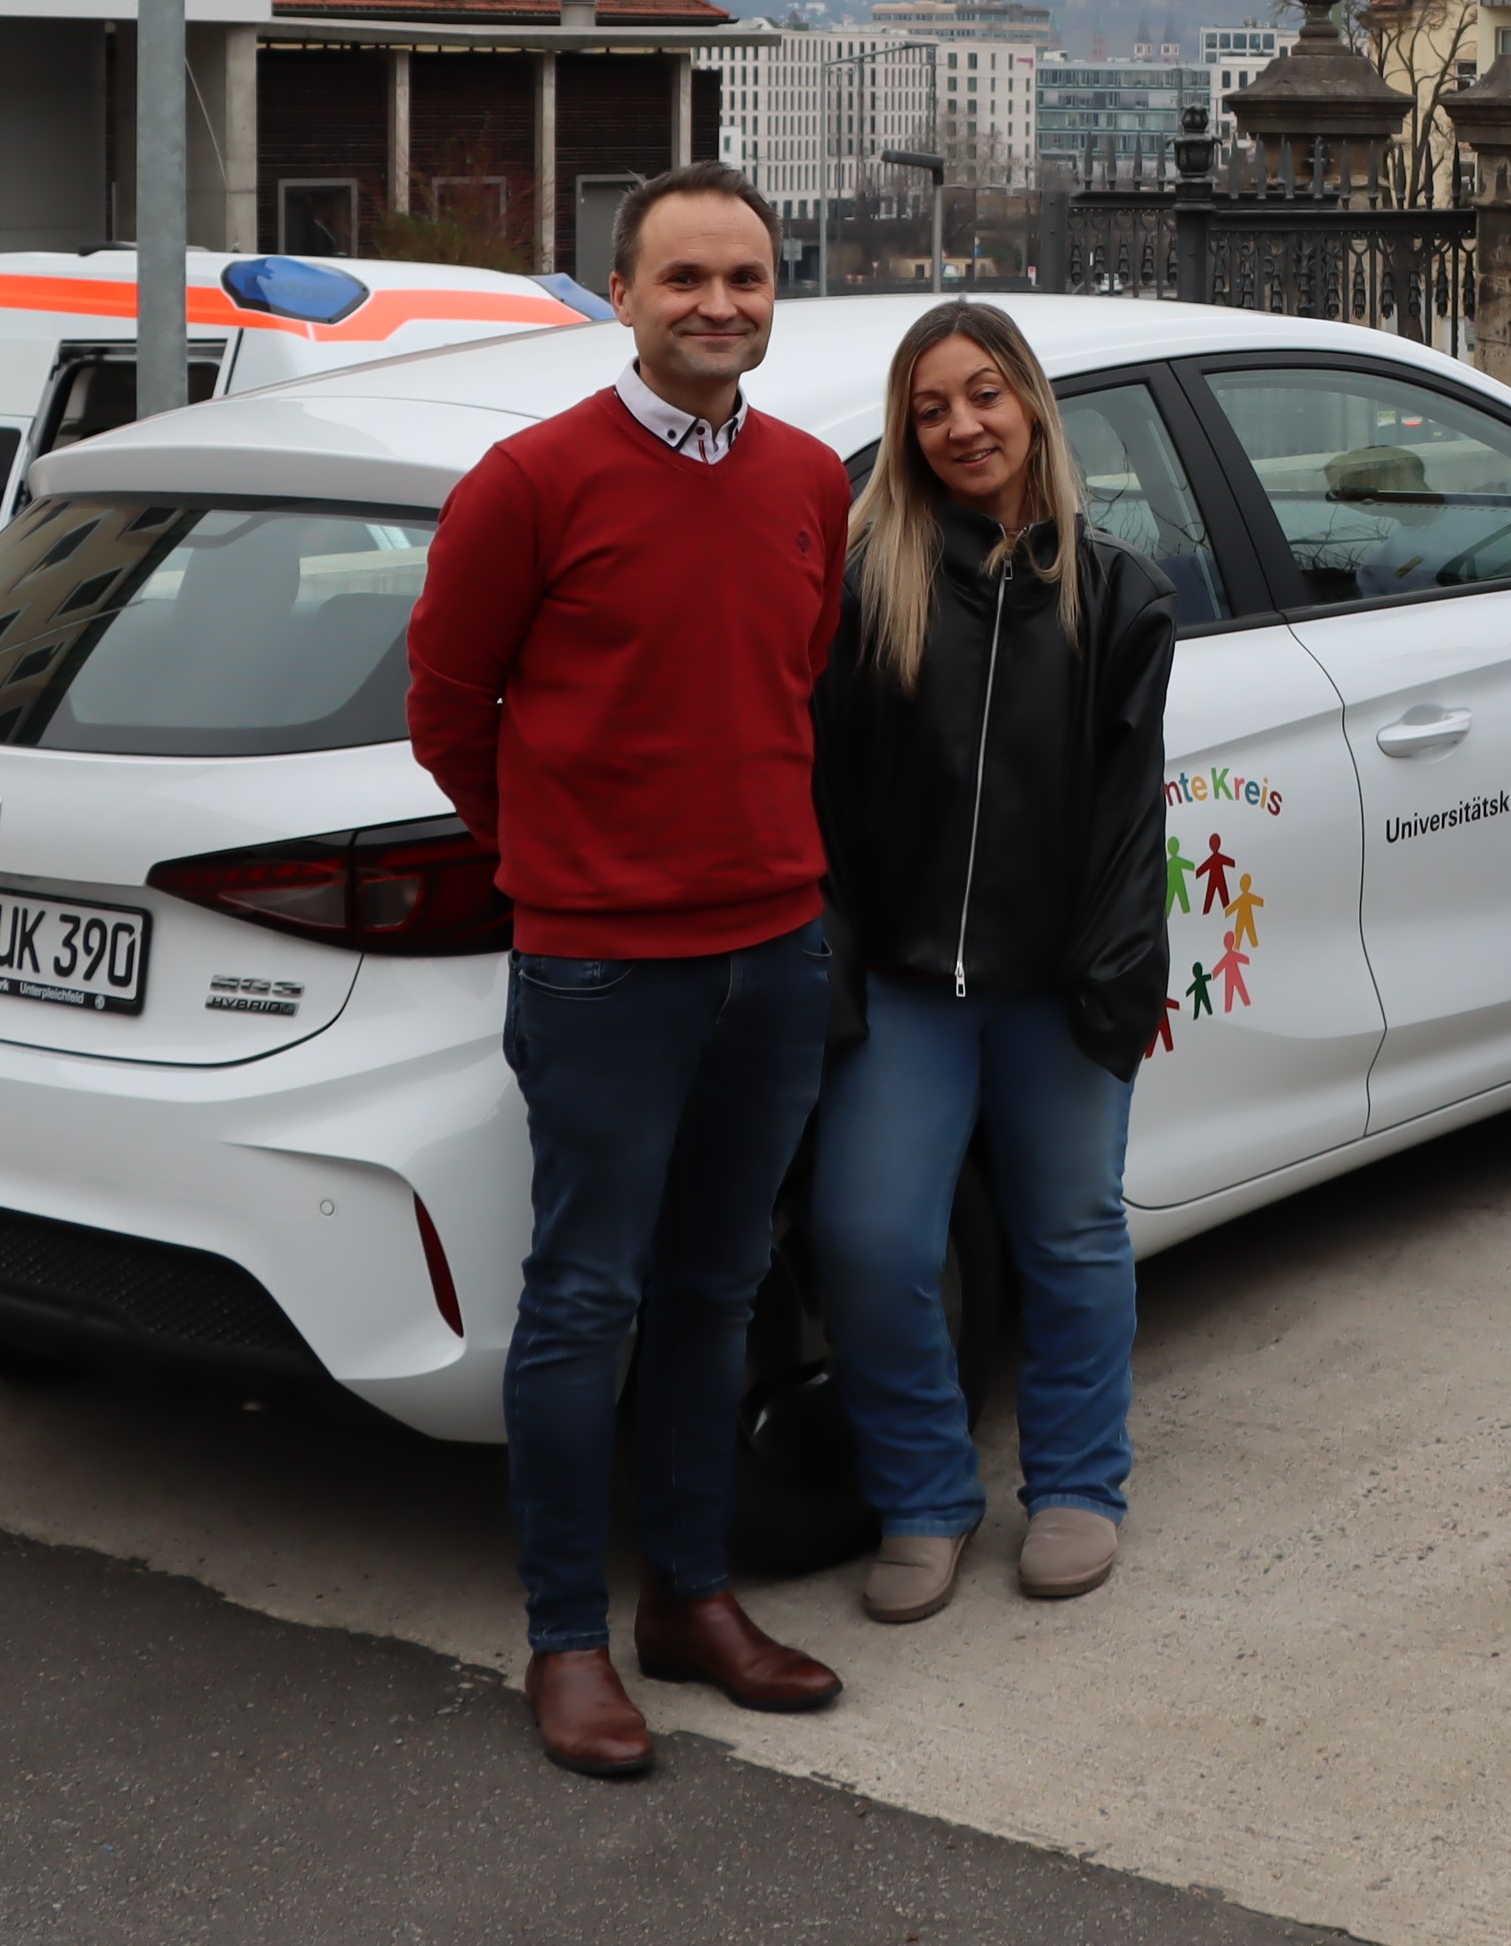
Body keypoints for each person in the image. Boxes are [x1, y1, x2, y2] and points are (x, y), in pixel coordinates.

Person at [404, 161, 853, 1777]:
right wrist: (569, 859)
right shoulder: (529, 483)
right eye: (686, 278)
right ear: (624, 292)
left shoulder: (811, 481)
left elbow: (783, 684)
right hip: (602, 967)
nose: (719, 304)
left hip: (775, 953)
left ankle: (690, 1597)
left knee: (719, 1291)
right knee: (584, 1300)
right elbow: (449, 715)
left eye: (746, 276)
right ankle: (565, 1638)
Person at [809, 300, 1176, 1625]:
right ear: (906, 436)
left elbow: (1131, 813)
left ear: (1029, 404)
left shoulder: (1121, 589)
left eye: (982, 395)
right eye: (929, 407)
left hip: (1056, 981)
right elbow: (828, 803)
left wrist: (1115, 983)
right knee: (867, 1238)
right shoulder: (866, 588)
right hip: (905, 983)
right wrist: (837, 970)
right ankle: (922, 1496)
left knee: (1071, 1234)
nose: (960, 424)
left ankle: (1078, 1486)